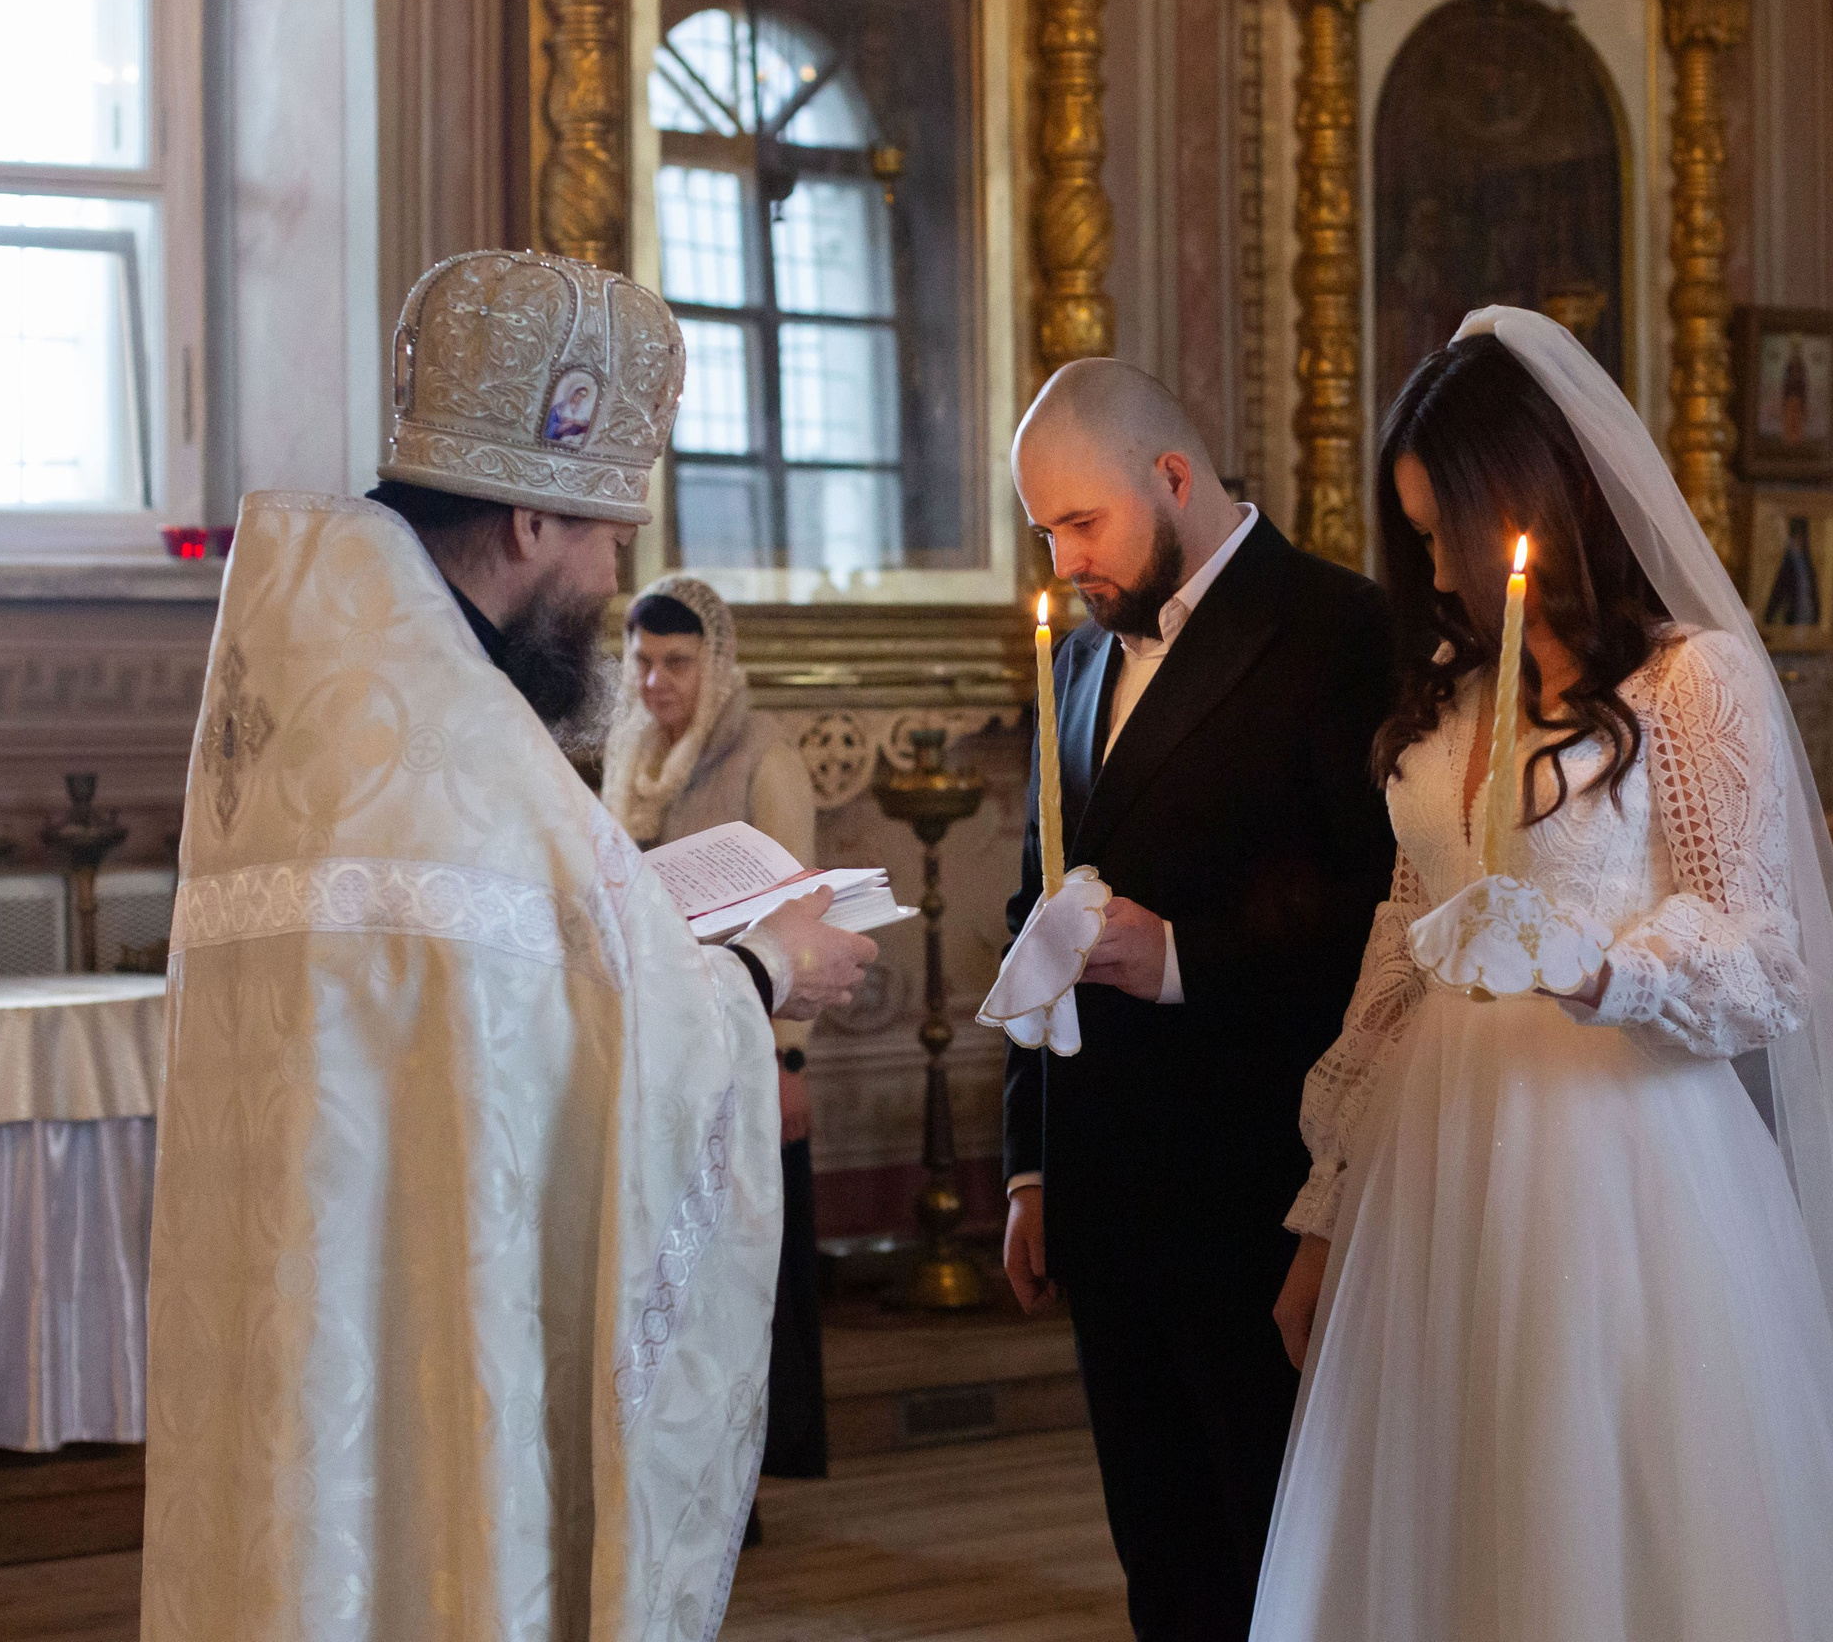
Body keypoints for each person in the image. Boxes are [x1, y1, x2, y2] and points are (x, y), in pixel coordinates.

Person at [141, 249, 878, 1642]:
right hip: (421, 1359)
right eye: (608, 533)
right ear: (534, 518)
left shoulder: (330, 678)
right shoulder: (447, 740)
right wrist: (769, 971)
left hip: (302, 1348)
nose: (614, 578)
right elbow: (591, 1043)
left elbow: (509, 1016)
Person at [1254, 310, 1833, 1642]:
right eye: (1414, 537)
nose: (1432, 568)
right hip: (1431, 1167)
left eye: (1443, 534)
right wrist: (1325, 1209)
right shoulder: (1449, 691)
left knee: (1600, 1501)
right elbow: (1401, 946)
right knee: (1445, 1506)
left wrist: (1602, 967)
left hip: (1620, 1161)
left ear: (1523, 508)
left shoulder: (1692, 686)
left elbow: (1765, 953)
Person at [1002, 359, 1395, 1642]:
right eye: (1045, 531)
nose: (1064, 561)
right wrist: (1029, 1169)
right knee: (1158, 1552)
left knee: (1276, 1536)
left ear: (1172, 478)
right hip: (1106, 1183)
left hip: (1260, 1175)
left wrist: (1178, 956)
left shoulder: (1341, 631)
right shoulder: (1076, 655)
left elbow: (1385, 913)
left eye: (1080, 522)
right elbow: (1035, 913)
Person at [601, 574, 831, 1484]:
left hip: (745, 1048)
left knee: (744, 1270)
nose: (657, 681)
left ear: (718, 664)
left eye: (678, 662)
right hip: (658, 1049)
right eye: (643, 661)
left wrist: (789, 1065)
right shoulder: (625, 753)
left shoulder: (763, 757)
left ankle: (751, 1468)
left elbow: (800, 919)